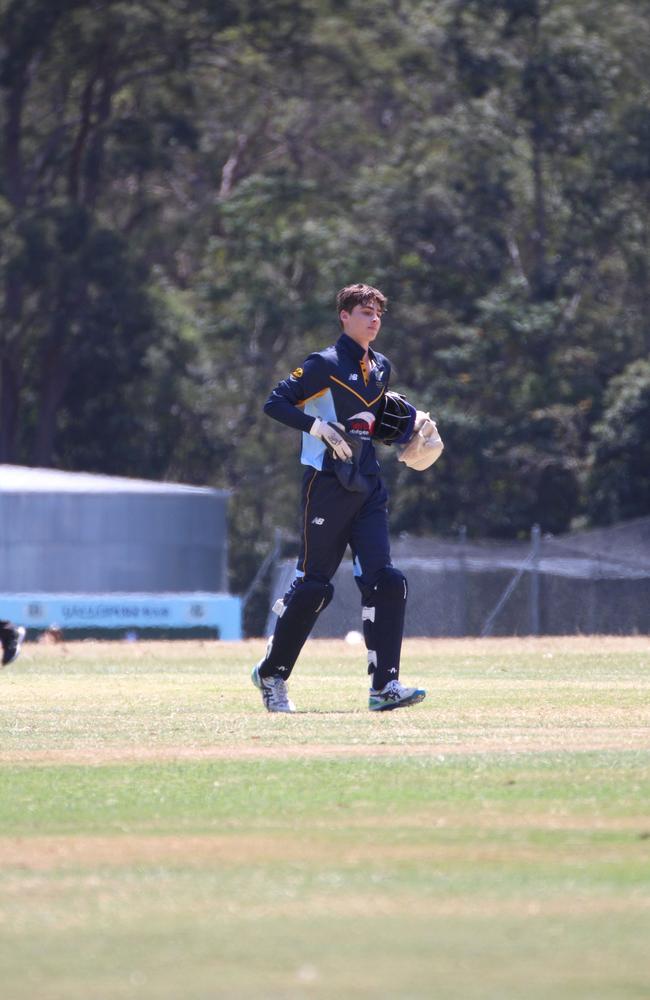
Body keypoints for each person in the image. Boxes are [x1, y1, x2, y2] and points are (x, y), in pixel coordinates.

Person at [252, 282, 443, 712]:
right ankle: (271, 676)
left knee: (387, 581)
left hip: (368, 483)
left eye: (378, 312)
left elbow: (371, 420)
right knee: (315, 588)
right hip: (327, 483)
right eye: (364, 311)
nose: (373, 319)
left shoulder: (381, 366)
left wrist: (410, 425)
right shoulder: (323, 363)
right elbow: (275, 402)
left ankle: (384, 688)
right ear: (344, 315)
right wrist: (316, 428)